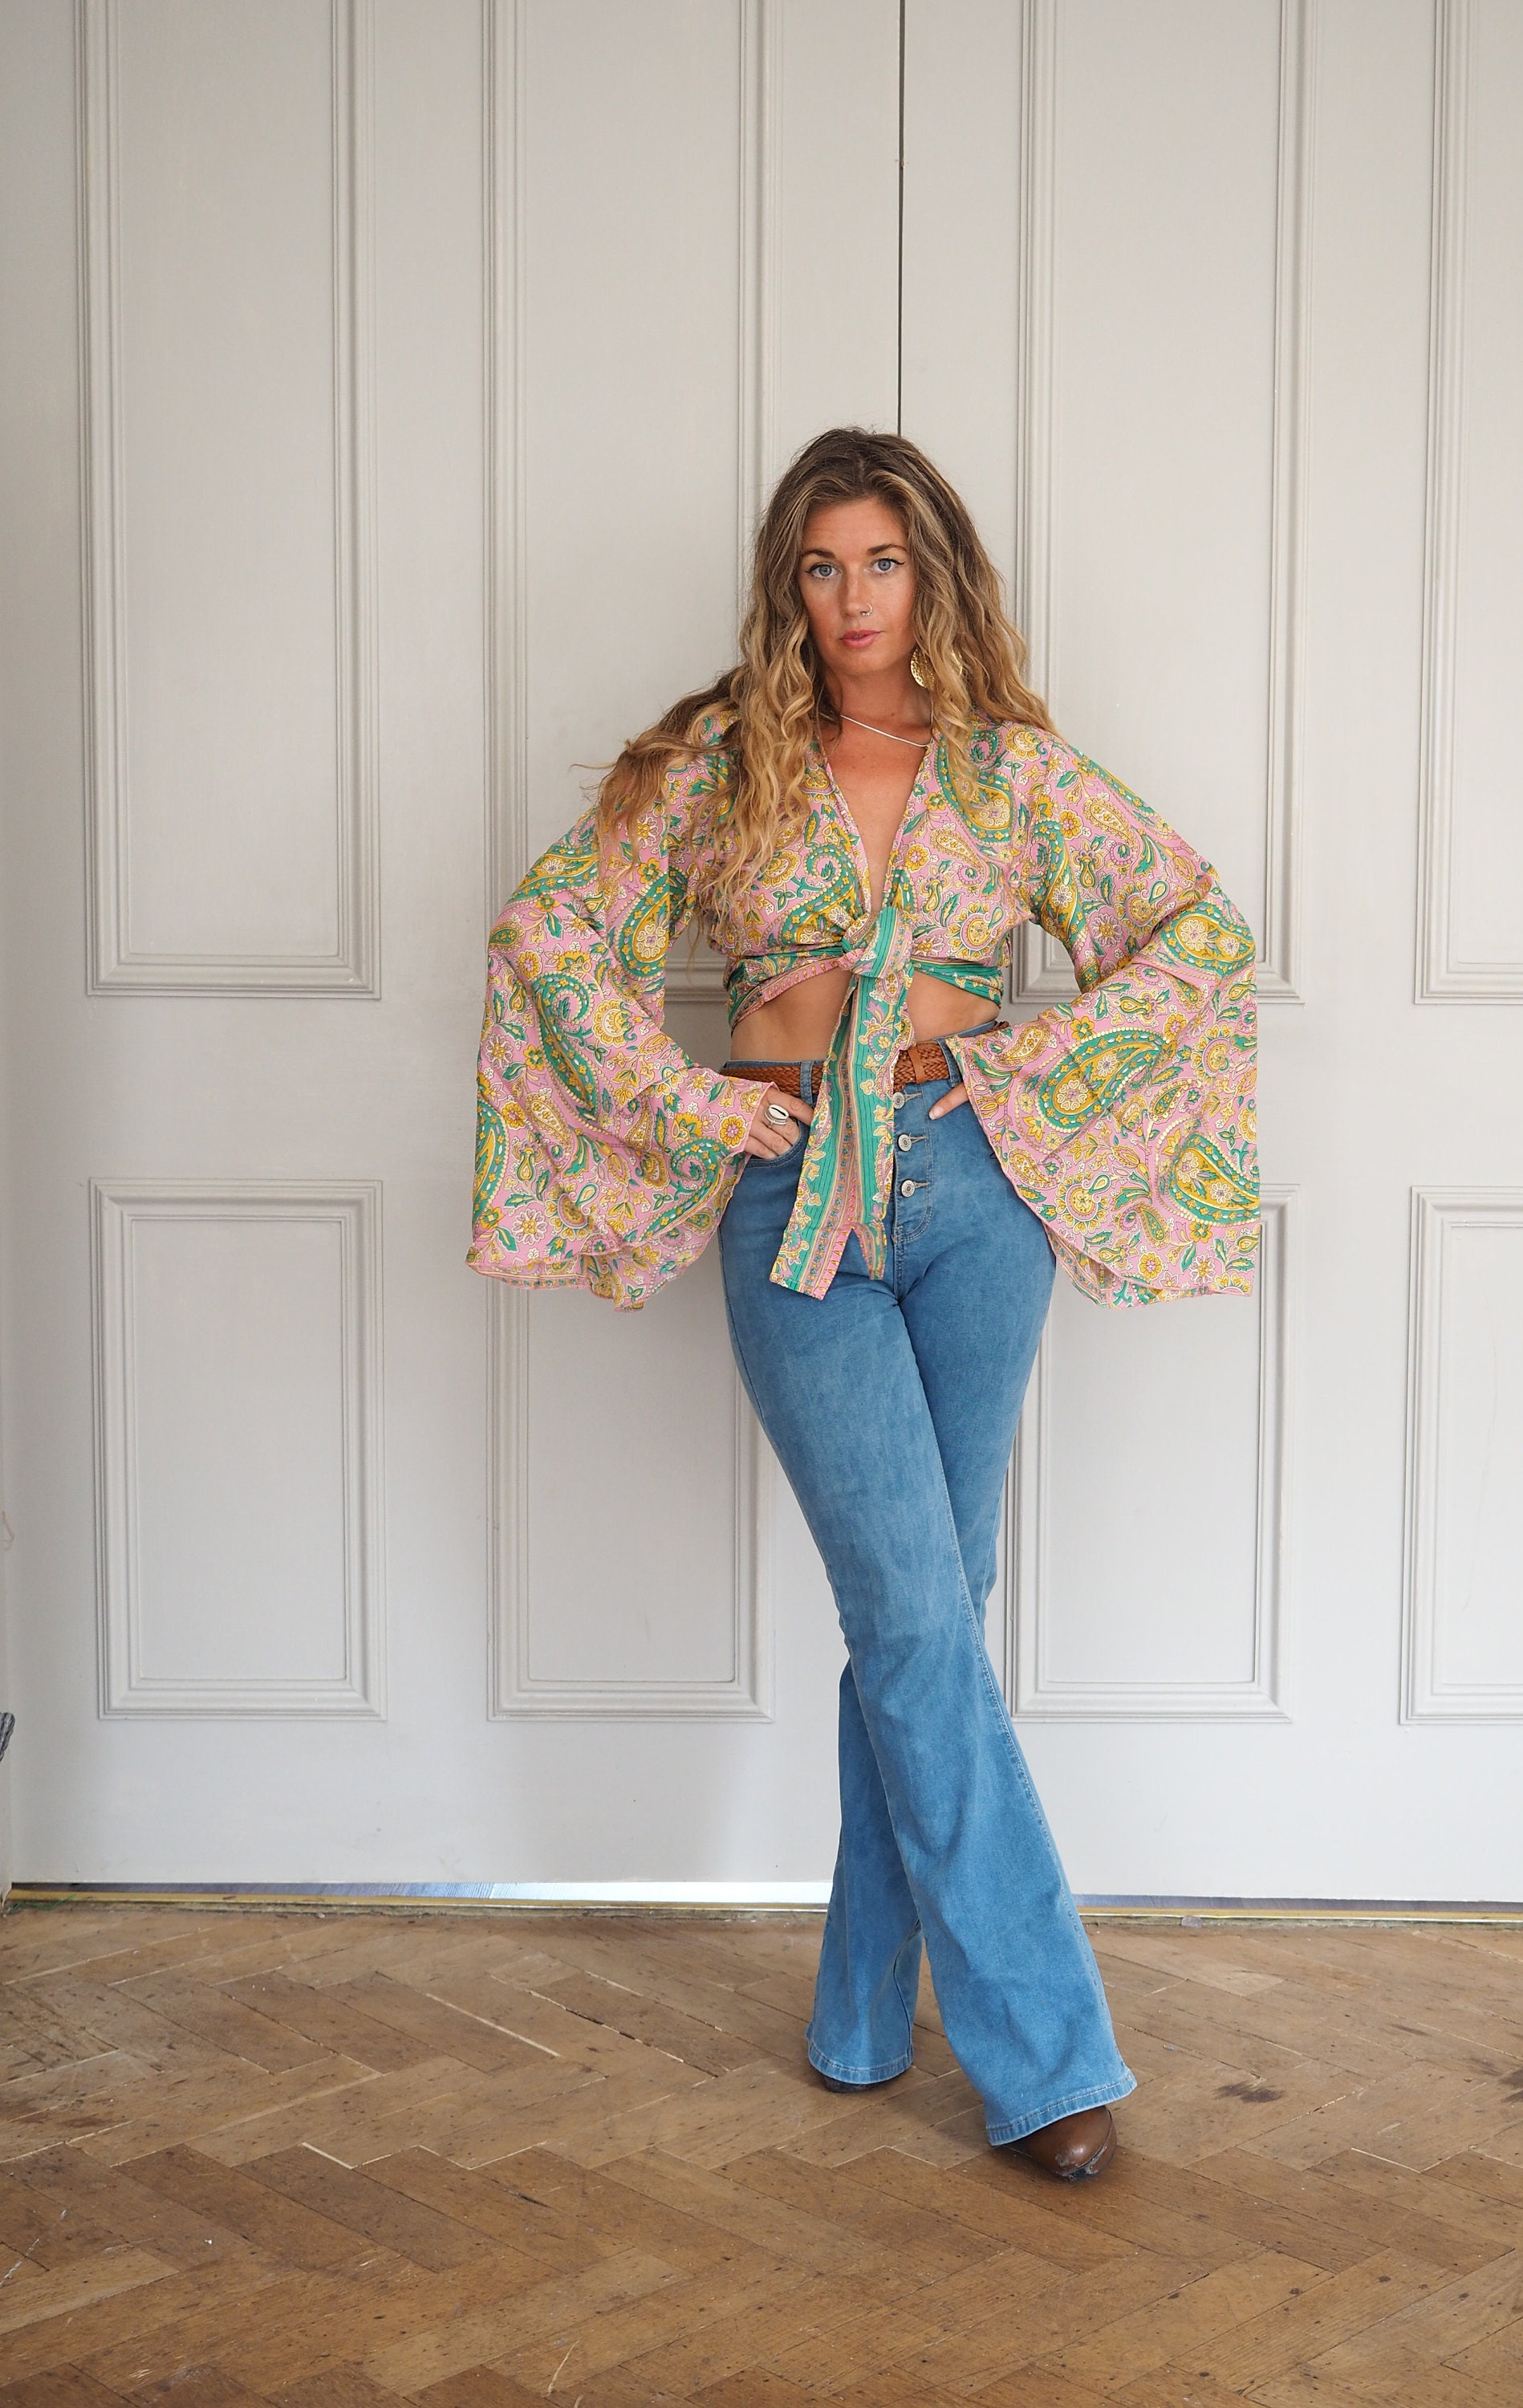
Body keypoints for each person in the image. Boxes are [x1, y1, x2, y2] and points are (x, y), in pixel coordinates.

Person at [469, 427, 1258, 2178]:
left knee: (932, 1618)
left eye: (882, 564)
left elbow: (1201, 936)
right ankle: (1049, 2058)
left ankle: (857, 2016)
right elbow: (544, 938)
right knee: (912, 1612)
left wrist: (1025, 1071)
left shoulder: (1011, 772)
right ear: (788, 585)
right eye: (822, 567)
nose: (853, 600)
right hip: (794, 1203)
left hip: (976, 1199)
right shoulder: (718, 763)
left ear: (932, 575)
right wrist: (696, 1103)